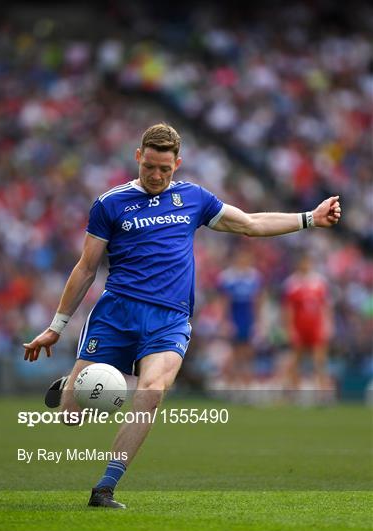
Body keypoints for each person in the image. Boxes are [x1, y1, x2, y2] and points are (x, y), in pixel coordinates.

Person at [23, 123, 341, 509]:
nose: (156, 176)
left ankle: (105, 488)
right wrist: (56, 327)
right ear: (138, 157)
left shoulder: (193, 198)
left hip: (170, 320)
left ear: (178, 164)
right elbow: (86, 267)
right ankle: (78, 385)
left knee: (151, 395)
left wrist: (309, 218)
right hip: (116, 314)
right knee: (71, 418)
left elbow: (251, 224)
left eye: (165, 169)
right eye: (149, 167)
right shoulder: (110, 204)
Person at [282, 254, 334, 396]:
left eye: (307, 262)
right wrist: (289, 328)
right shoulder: (292, 283)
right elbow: (288, 309)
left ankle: (323, 392)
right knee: (296, 359)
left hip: (316, 325)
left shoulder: (319, 282)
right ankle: (295, 391)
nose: (305, 265)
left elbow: (326, 306)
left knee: (319, 360)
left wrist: (327, 325)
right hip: (299, 326)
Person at [218, 251, 263, 385]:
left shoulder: (254, 276)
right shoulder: (228, 277)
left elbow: (257, 300)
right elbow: (224, 301)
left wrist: (258, 321)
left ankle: (246, 383)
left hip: (247, 315)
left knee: (248, 353)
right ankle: (231, 383)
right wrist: (225, 320)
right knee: (235, 352)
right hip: (235, 315)